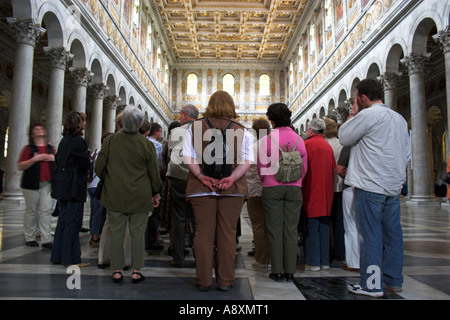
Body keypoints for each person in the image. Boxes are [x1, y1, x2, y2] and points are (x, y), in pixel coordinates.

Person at [339, 78, 411, 297]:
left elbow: (344, 136)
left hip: (370, 186)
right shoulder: (399, 119)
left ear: (362, 98)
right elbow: (406, 153)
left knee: (370, 235)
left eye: (356, 99)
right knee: (393, 235)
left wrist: (353, 114)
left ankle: (371, 284)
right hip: (391, 186)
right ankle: (393, 280)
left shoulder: (367, 115)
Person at [182, 90, 253, 291]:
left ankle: (203, 280)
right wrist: (231, 178)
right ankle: (225, 280)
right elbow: (247, 160)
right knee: (228, 234)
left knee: (203, 234)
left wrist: (201, 176)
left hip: (201, 188)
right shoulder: (241, 129)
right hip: (232, 188)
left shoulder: (196, 126)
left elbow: (188, 156)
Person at [95, 106, 161, 283]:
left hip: (115, 194)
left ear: (122, 122)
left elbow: (99, 167)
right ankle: (136, 270)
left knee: (116, 232)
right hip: (140, 196)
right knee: (137, 234)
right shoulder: (146, 144)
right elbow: (154, 173)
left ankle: (116, 270)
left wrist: (111, 179)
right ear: (140, 123)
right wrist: (155, 192)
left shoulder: (110, 141)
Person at [257, 103, 308, 282]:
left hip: (271, 188)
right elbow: (304, 168)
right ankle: (290, 271)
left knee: (274, 229)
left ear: (271, 120)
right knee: (291, 230)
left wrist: (270, 181)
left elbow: (261, 169)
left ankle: (277, 271)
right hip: (294, 188)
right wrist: (296, 181)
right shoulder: (299, 140)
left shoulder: (267, 140)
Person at [50, 112, 91, 267]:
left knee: (62, 222)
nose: (85, 124)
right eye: (83, 122)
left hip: (62, 186)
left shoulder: (64, 140)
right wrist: (88, 159)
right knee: (73, 223)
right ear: (78, 124)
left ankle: (57, 256)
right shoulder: (78, 141)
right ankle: (70, 260)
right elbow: (84, 165)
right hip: (73, 187)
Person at [301, 118, 335, 271]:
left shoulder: (307, 145)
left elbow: (301, 170)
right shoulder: (328, 147)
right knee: (324, 226)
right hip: (327, 193)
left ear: (311, 131)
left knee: (312, 226)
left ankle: (313, 262)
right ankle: (325, 261)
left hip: (311, 190)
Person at [166, 105, 198, 267]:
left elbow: (170, 152)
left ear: (185, 116)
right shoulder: (203, 131)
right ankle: (199, 256)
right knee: (196, 219)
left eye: (180, 115)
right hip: (196, 178)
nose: (179, 118)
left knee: (178, 218)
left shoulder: (175, 131)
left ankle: (178, 257)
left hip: (178, 177)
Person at [17, 121, 55, 248]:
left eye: (41, 129)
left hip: (47, 183)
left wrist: (53, 158)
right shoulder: (28, 149)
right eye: (36, 129)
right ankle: (29, 237)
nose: (39, 131)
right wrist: (34, 159)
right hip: (31, 184)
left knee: (46, 211)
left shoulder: (50, 148)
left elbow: (58, 161)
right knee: (31, 211)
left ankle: (46, 239)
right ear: (32, 134)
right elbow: (20, 165)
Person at [336, 99, 361, 272]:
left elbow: (339, 169)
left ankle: (354, 262)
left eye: (351, 115)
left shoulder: (350, 143)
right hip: (373, 187)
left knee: (351, 226)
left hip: (351, 187)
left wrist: (348, 174)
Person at [246, 117, 271, 268]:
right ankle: (272, 256)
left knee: (258, 224)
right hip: (271, 188)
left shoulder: (252, 147)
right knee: (271, 223)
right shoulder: (274, 144)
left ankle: (262, 258)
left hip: (254, 190)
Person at [324, 117, 345, 262]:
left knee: (325, 220)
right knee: (339, 222)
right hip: (340, 187)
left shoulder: (323, 144)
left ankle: (326, 249)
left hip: (324, 187)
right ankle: (339, 250)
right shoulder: (342, 144)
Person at [87, 132, 110, 247]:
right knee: (98, 212)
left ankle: (93, 235)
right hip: (98, 186)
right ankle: (95, 236)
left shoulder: (97, 150)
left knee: (94, 212)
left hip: (91, 185)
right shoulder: (103, 152)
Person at [145, 122, 164, 251]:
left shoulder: (141, 141)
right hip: (153, 183)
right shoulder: (157, 145)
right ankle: (151, 241)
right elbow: (159, 167)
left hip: (140, 183)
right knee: (153, 213)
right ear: (157, 132)